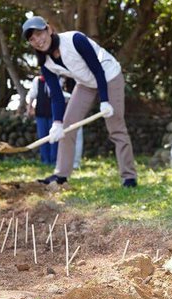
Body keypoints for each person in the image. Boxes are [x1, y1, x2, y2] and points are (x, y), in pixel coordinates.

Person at [21, 16, 137, 187]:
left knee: (115, 127)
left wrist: (105, 101)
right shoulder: (46, 64)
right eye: (32, 39)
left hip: (109, 76)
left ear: (49, 29)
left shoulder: (75, 40)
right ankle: (61, 175)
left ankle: (129, 176)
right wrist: (57, 123)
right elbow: (56, 96)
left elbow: (98, 70)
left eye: (39, 34)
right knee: (67, 125)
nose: (37, 40)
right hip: (85, 83)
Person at [26, 74, 58, 165]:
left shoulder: (56, 78)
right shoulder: (37, 80)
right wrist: (29, 107)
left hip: (53, 113)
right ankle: (45, 160)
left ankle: (54, 160)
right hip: (40, 112)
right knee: (42, 137)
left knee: (54, 137)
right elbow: (32, 94)